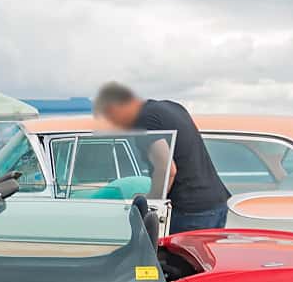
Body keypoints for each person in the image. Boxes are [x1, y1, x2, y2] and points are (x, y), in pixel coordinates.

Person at [91, 82, 230, 232]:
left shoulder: (143, 121)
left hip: (190, 212)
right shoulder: (173, 108)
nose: (116, 124)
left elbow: (166, 169)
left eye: (112, 118)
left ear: (115, 108)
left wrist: (151, 203)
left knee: (171, 255)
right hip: (216, 204)